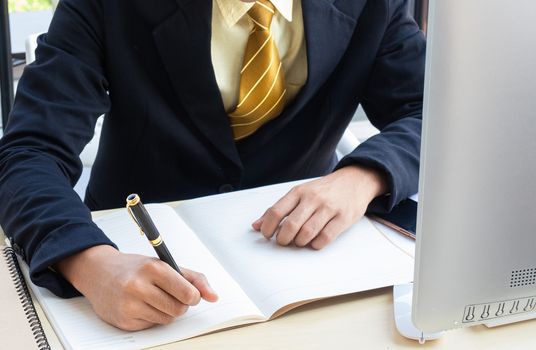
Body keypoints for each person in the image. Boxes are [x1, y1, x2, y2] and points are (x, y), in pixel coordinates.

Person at [0, 0, 425, 331]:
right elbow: (28, 151)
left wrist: (364, 176)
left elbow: (435, 111)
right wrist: (86, 260)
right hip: (137, 246)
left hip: (305, 256)